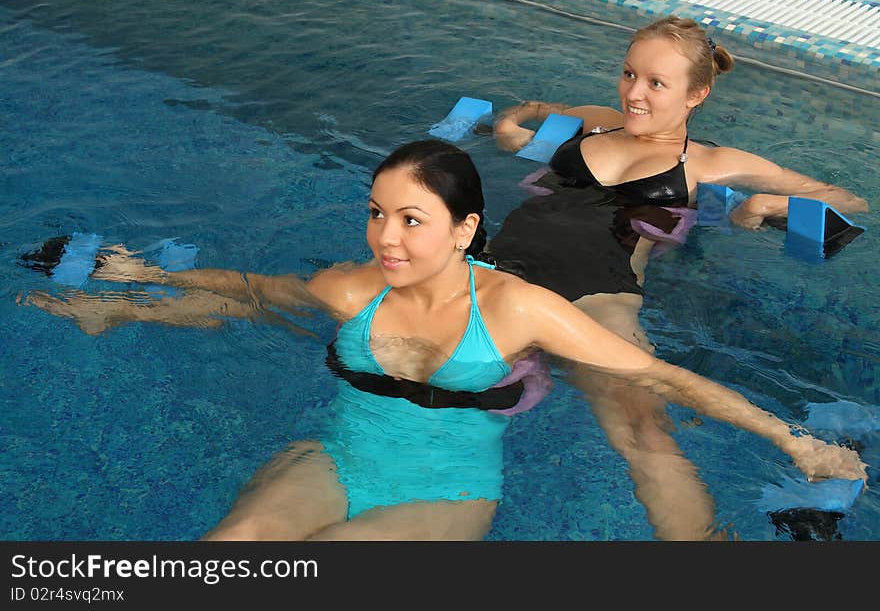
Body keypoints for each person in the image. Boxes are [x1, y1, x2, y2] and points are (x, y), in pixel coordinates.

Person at [23, 139, 866, 541]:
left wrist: (790, 438)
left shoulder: (520, 310)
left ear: (464, 228)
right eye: (378, 213)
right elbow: (258, 292)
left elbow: (664, 377)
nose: (387, 237)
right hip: (338, 458)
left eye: (412, 220)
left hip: (444, 491)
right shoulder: (354, 285)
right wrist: (143, 280)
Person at [484, 15, 870, 539]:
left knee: (641, 429)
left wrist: (766, 203)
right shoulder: (597, 122)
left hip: (596, 300)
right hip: (495, 277)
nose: (634, 93)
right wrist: (516, 120)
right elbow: (536, 112)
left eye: (656, 83)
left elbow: (849, 199)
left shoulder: (712, 163)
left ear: (697, 94)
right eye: (628, 74)